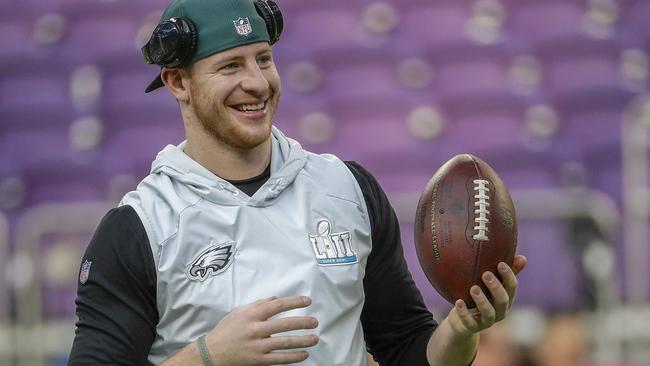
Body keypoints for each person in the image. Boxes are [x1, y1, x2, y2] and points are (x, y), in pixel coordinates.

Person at [68, 0, 527, 365]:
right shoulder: (139, 228)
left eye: (263, 59)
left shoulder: (349, 190)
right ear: (177, 82)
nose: (257, 82)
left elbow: (406, 349)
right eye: (230, 66)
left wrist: (459, 331)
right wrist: (205, 357)